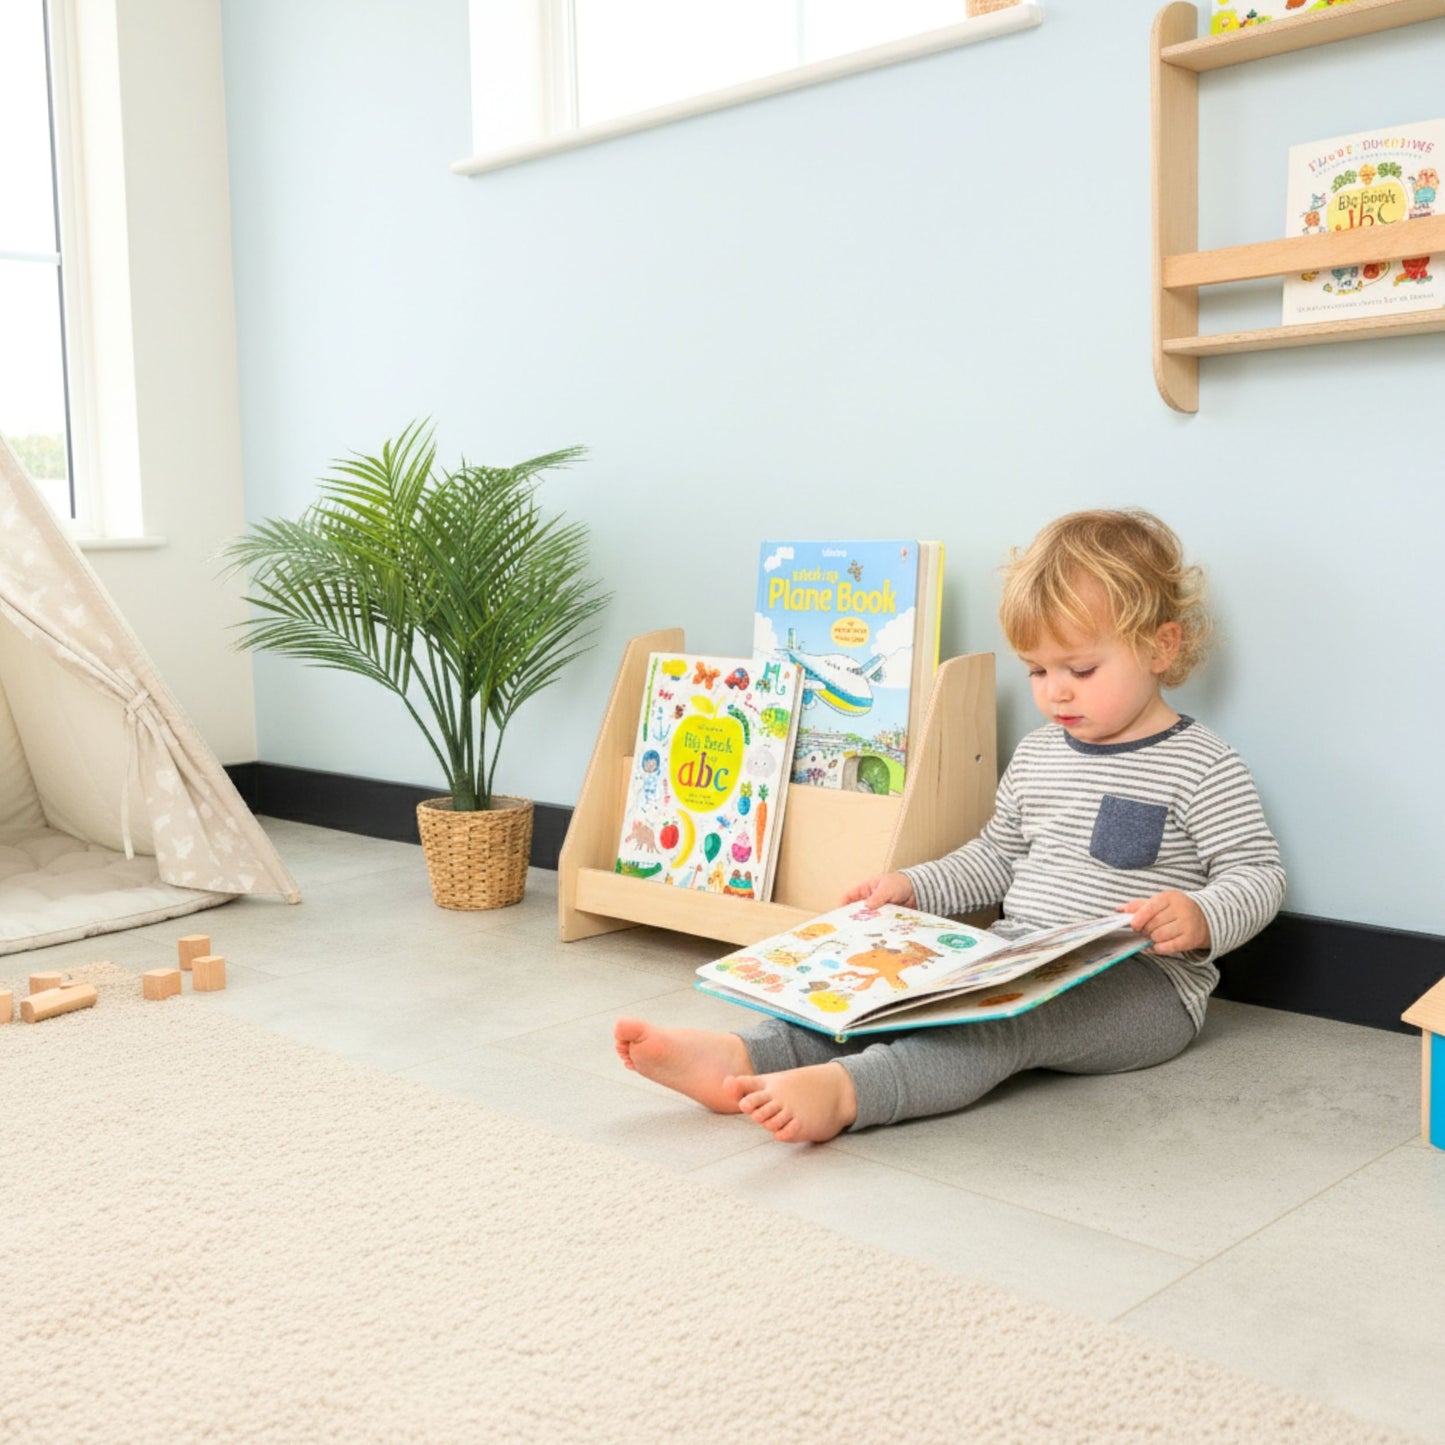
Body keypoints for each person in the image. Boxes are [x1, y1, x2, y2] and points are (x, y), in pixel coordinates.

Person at [614, 509, 1286, 1143]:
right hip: (1017, 953)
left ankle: (851, 1093)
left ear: (1159, 647)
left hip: (1144, 989)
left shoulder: (1201, 764)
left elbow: (1258, 872)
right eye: (1038, 670)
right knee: (895, 992)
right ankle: (742, 1052)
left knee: (999, 1025)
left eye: (1080, 668)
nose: (1055, 690)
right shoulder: (1038, 752)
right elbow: (995, 854)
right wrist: (913, 885)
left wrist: (1200, 914)